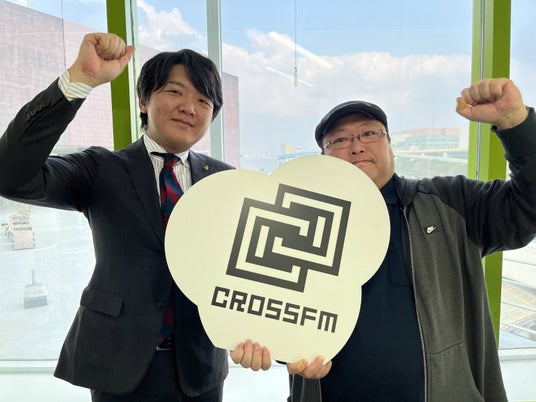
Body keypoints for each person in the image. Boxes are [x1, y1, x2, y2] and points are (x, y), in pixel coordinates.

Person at [0, 32, 265, 402]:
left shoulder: (224, 180)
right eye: (175, 91)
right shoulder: (102, 168)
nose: (189, 107)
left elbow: (249, 268)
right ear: (143, 100)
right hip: (119, 364)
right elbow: (10, 175)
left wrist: (260, 331)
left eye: (203, 100)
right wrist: (79, 80)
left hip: (200, 367)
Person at [234, 78, 536, 402]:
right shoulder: (297, 220)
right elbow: (280, 312)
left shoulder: (451, 201)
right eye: (339, 139)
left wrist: (515, 122)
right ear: (323, 157)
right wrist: (278, 349)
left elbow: (527, 209)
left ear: (391, 146)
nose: (356, 146)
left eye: (369, 133)